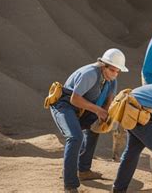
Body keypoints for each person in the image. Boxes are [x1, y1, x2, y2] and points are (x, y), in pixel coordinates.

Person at [50, 48, 128, 193]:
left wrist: (107, 117)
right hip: (65, 105)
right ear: (104, 65)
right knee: (75, 137)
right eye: (113, 70)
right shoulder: (90, 74)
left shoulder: (112, 81)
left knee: (95, 127)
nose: (115, 74)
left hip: (84, 108)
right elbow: (75, 99)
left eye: (118, 71)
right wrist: (98, 110)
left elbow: (108, 102)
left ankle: (84, 170)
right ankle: (70, 185)